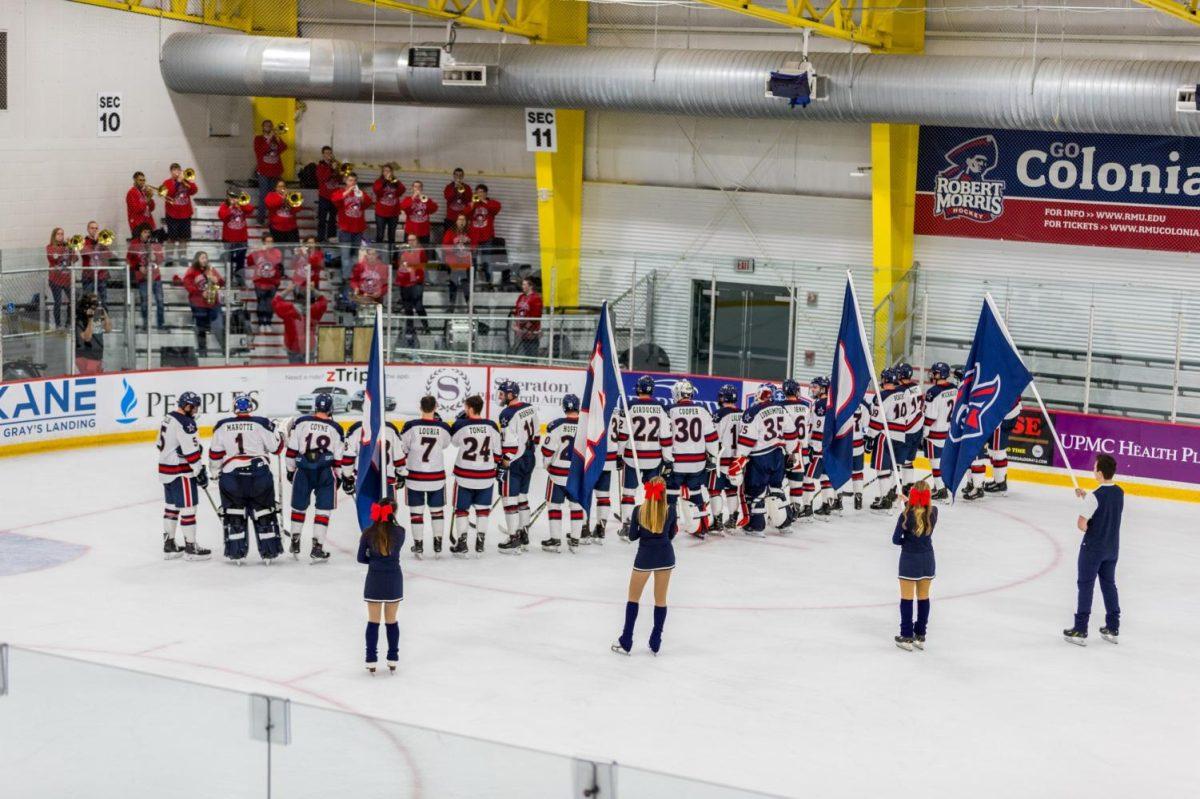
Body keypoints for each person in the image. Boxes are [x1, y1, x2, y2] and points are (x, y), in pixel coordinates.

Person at [209, 395, 285, 563]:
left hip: (231, 475)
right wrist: (280, 436)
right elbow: (276, 448)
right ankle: (269, 552)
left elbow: (215, 454)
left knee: (234, 514)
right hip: (259, 474)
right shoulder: (261, 423)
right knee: (264, 512)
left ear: (234, 408)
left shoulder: (222, 425)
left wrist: (214, 473)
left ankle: (236, 553)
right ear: (251, 408)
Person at [612, 477, 676, 656]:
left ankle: (626, 640)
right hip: (665, 557)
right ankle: (656, 641)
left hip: (645, 558)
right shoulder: (670, 511)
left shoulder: (638, 510)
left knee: (633, 599)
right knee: (660, 600)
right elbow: (671, 534)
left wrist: (633, 527)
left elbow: (632, 536)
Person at [1064, 454, 1123, 646]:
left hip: (1093, 549)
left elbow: (1082, 525)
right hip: (1112, 548)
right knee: (1109, 585)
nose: (1093, 470)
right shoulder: (1119, 492)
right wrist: (1087, 497)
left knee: (1085, 585)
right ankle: (1113, 627)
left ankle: (1080, 629)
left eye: (1094, 468)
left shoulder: (1094, 497)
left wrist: (1088, 502)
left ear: (1099, 473)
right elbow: (1103, 505)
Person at [285, 393, 347, 561]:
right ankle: (317, 548)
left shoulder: (301, 422)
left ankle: (295, 541)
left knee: (299, 507)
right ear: (330, 408)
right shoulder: (336, 428)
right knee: (323, 510)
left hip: (303, 470)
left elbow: (291, 449)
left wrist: (290, 470)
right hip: (325, 472)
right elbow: (338, 458)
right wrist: (341, 477)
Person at [613, 375, 674, 540]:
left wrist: (619, 454)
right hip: (654, 458)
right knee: (654, 493)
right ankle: (653, 523)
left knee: (628, 492)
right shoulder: (660, 407)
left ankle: (626, 526)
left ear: (638, 389)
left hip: (632, 458)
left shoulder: (630, 406)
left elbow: (624, 434)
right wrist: (667, 458)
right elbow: (666, 436)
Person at [156, 391, 212, 561]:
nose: (195, 411)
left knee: (172, 507)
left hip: (165, 469)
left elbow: (159, 444)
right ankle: (190, 548)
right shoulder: (186, 423)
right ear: (187, 406)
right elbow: (191, 452)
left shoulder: (168, 417)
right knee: (188, 509)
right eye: (194, 407)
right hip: (181, 471)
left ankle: (169, 546)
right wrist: (199, 470)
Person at [732, 383, 792, 537]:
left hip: (760, 457)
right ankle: (784, 523)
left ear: (759, 395)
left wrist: (739, 459)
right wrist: (791, 453)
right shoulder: (781, 408)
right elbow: (791, 432)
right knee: (776, 488)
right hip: (779, 454)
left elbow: (747, 440)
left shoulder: (752, 412)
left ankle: (756, 526)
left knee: (755, 491)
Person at [398, 395, 453, 558]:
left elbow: (403, 448)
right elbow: (445, 444)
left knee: (416, 512)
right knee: (437, 512)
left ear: (420, 407)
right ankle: (437, 545)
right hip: (436, 477)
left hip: (415, 477)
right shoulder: (442, 427)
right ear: (435, 407)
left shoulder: (410, 426)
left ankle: (419, 545)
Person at [664, 379, 718, 538]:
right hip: (698, 462)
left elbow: (666, 437)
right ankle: (701, 526)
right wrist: (713, 456)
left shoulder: (670, 410)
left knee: (671, 494)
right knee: (696, 491)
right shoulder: (702, 410)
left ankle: (669, 529)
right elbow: (711, 437)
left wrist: (666, 458)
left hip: (677, 462)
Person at [449, 394, 502, 557]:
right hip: (486, 476)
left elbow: (454, 442)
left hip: (464, 475)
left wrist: (459, 423)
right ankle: (480, 543)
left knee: (461, 510)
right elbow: (498, 451)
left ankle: (462, 544)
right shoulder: (492, 425)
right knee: (482, 510)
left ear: (470, 408)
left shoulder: (461, 425)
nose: (464, 409)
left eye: (466, 407)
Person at [357, 498, 406, 674]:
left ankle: (371, 659)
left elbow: (360, 558)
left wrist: (375, 560)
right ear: (394, 513)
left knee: (373, 621)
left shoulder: (368, 533)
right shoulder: (400, 532)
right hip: (394, 579)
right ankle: (392, 658)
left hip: (374, 579)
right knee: (391, 621)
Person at [534, 394, 585, 552]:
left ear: (564, 407)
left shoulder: (556, 425)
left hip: (557, 474)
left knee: (554, 505)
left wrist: (547, 464)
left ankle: (555, 540)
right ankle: (575, 540)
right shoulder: (586, 426)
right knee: (576, 506)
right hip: (578, 474)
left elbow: (547, 450)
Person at [495, 380, 541, 554]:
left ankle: (513, 537)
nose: (500, 396)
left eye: (502, 393)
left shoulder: (507, 413)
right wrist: (528, 451)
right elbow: (537, 435)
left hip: (514, 460)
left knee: (509, 499)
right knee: (522, 497)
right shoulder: (530, 407)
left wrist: (504, 462)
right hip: (529, 457)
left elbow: (510, 443)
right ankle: (523, 533)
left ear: (511, 395)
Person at [893, 481, 938, 651]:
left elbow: (896, 540)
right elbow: (920, 513)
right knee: (923, 597)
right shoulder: (934, 513)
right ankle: (920, 634)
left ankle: (906, 636)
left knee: (906, 598)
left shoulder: (905, 516)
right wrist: (908, 504)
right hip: (927, 560)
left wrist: (906, 506)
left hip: (909, 560)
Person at [868, 369, 906, 511]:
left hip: (886, 435)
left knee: (882, 468)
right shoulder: (902, 393)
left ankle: (885, 498)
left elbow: (877, 422)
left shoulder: (882, 396)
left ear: (885, 380)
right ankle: (894, 494)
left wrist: (870, 437)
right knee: (895, 467)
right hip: (901, 434)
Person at [332, 172, 373, 302]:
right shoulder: (340, 192)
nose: (353, 182)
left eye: (355, 180)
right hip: (345, 229)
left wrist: (360, 196)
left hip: (358, 229)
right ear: (345, 181)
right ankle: (346, 279)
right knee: (345, 256)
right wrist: (348, 191)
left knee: (355, 256)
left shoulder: (360, 193)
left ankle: (355, 279)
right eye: (350, 180)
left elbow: (368, 203)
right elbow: (336, 201)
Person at [710, 384, 742, 531]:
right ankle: (733, 519)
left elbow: (712, 437)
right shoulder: (744, 413)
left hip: (721, 458)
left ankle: (717, 522)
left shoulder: (719, 414)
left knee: (715, 490)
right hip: (738, 460)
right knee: (731, 490)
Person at [922, 362, 956, 501]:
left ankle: (941, 490)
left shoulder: (933, 392)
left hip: (934, 433)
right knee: (943, 461)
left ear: (940, 374)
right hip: (948, 432)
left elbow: (930, 416)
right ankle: (942, 485)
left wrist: (924, 432)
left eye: (935, 372)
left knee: (935, 463)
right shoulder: (955, 388)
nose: (932, 374)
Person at [181, 252, 225, 357]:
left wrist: (217, 280)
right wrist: (200, 293)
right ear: (197, 259)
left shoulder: (211, 269)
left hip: (213, 302)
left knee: (219, 326)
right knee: (201, 328)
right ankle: (202, 352)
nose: (205, 260)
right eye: (202, 258)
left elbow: (222, 283)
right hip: (198, 304)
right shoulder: (191, 270)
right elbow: (187, 284)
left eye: (206, 257)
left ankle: (225, 349)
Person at [779, 379, 812, 521]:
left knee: (777, 483)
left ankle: (777, 512)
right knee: (797, 483)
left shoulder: (779, 407)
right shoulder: (806, 406)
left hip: (785, 450)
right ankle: (795, 511)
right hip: (802, 451)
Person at [805, 376, 837, 516]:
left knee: (808, 477)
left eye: (816, 387)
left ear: (823, 389)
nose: (813, 389)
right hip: (830, 448)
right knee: (825, 477)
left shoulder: (820, 405)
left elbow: (818, 429)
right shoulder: (832, 403)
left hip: (819, 448)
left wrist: (812, 446)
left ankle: (806, 508)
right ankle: (826, 506)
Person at [272, 284, 328, 364]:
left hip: (292, 345)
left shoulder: (287, 308)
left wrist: (287, 290)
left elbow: (275, 301)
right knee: (309, 372)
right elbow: (324, 300)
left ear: (295, 295)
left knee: (295, 372)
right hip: (309, 344)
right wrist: (314, 290)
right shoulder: (315, 309)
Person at [159, 163, 198, 266]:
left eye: (178, 170)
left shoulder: (185, 181)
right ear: (171, 172)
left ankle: (182, 257)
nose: (177, 172)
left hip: (185, 214)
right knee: (171, 238)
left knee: (183, 238)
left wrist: (190, 182)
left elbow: (194, 191)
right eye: (175, 170)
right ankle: (169, 257)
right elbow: (169, 195)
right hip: (173, 214)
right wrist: (177, 183)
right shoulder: (167, 182)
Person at [128, 227, 165, 330]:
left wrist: (154, 254)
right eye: (145, 231)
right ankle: (145, 324)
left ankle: (161, 324)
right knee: (144, 302)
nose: (147, 234)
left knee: (160, 301)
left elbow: (161, 259)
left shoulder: (156, 244)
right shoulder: (135, 244)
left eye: (149, 232)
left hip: (155, 277)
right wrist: (138, 267)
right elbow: (129, 259)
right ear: (140, 233)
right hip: (142, 278)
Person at [218, 189, 255, 287]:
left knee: (241, 261)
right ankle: (229, 280)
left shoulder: (242, 205)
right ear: (228, 197)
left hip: (242, 239)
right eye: (232, 197)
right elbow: (222, 216)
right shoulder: (224, 205)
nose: (234, 199)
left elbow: (251, 210)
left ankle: (239, 279)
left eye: (236, 197)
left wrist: (241, 205)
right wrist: (230, 207)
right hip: (228, 239)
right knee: (228, 260)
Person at [253, 120, 287, 223]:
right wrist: (268, 140)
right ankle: (261, 220)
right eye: (266, 126)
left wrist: (278, 139)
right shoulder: (258, 139)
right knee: (264, 195)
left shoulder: (275, 139)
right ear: (263, 127)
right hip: (263, 171)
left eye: (270, 126)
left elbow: (283, 148)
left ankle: (273, 219)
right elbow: (260, 151)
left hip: (275, 171)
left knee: (276, 197)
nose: (268, 127)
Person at [985, 399, 1021, 495]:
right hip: (1011, 410)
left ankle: (1000, 483)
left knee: (997, 450)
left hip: (1003, 415)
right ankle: (999, 479)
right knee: (995, 448)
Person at [396, 234, 430, 336]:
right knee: (408, 307)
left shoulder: (421, 251)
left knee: (418, 305)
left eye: (413, 240)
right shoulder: (403, 252)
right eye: (409, 240)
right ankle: (410, 329)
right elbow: (400, 266)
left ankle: (426, 327)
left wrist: (412, 269)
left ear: (417, 241)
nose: (411, 242)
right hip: (405, 282)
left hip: (416, 282)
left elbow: (423, 265)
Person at [469, 184, 502, 285]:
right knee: (472, 261)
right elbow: (465, 213)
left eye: (482, 192)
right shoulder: (473, 203)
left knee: (487, 261)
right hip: (474, 237)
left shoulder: (492, 203)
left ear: (486, 193)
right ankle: (471, 281)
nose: (479, 194)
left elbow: (496, 209)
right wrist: (472, 204)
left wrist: (483, 201)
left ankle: (489, 282)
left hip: (487, 237)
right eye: (478, 192)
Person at [248, 234, 283, 327]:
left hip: (272, 282)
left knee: (269, 303)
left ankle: (268, 322)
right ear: (263, 242)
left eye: (271, 242)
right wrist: (253, 252)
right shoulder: (258, 252)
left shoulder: (277, 252)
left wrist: (266, 252)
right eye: (267, 242)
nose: (269, 244)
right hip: (259, 281)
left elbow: (276, 262)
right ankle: (261, 322)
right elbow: (249, 262)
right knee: (261, 302)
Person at [441, 214, 474, 309]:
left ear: (466, 222)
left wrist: (468, 247)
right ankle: (451, 306)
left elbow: (475, 245)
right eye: (459, 219)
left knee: (466, 285)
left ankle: (469, 306)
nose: (461, 221)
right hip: (454, 263)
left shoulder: (470, 232)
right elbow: (444, 247)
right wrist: (455, 249)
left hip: (466, 263)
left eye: (463, 219)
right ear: (456, 221)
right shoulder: (450, 232)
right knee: (453, 284)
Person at [45, 227, 76, 329]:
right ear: (54, 236)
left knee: (72, 300)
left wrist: (72, 248)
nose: (61, 236)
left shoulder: (68, 246)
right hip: (55, 279)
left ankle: (68, 322)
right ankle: (58, 324)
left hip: (67, 279)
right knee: (57, 302)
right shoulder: (49, 247)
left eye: (62, 234)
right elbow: (54, 257)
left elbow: (75, 259)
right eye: (58, 234)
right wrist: (67, 248)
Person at [373, 164, 405, 260]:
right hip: (381, 213)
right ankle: (378, 255)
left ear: (391, 172)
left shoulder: (395, 181)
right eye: (385, 171)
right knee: (380, 234)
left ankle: (392, 257)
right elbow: (377, 191)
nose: (387, 172)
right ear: (382, 172)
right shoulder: (378, 181)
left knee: (392, 236)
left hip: (393, 213)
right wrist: (385, 182)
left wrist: (396, 183)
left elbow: (402, 190)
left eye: (388, 171)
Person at [74, 293, 111, 375]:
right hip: (85, 355)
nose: (95, 305)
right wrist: (90, 319)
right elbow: (87, 338)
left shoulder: (98, 316)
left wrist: (104, 313)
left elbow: (108, 329)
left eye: (96, 303)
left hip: (96, 354)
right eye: (93, 303)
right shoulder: (80, 320)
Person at [80, 221, 112, 308]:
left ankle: (105, 320)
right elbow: (87, 253)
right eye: (92, 228)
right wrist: (96, 243)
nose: (94, 230)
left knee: (103, 301)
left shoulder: (102, 241)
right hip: (88, 276)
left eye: (96, 228)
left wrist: (100, 242)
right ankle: (88, 321)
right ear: (87, 229)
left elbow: (108, 255)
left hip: (101, 275)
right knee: (88, 302)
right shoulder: (83, 241)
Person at [314, 146, 341, 242]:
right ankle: (321, 238)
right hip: (324, 197)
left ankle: (331, 238)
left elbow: (340, 180)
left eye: (330, 153)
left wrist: (338, 171)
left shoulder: (336, 165)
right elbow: (322, 178)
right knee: (322, 219)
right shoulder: (320, 166)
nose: (329, 155)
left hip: (334, 197)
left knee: (333, 220)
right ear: (323, 155)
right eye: (326, 153)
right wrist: (331, 168)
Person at [512, 277, 543, 359]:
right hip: (521, 333)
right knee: (522, 356)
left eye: (524, 284)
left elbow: (536, 316)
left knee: (532, 356)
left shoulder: (536, 298)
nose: (522, 286)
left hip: (531, 333)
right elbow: (516, 312)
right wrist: (516, 325)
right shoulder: (521, 297)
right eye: (522, 284)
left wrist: (526, 329)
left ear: (530, 286)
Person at [400, 180, 438, 248]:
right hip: (410, 231)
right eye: (415, 187)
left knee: (423, 251)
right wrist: (413, 198)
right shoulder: (408, 199)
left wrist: (424, 199)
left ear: (422, 189)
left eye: (419, 187)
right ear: (412, 188)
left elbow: (434, 209)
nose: (417, 188)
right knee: (408, 251)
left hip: (424, 231)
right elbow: (403, 207)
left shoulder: (426, 200)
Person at [264, 180, 301, 245]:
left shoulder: (291, 196)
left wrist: (289, 202)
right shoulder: (271, 195)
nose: (282, 188)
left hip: (292, 229)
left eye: (283, 186)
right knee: (279, 251)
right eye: (280, 186)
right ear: (275, 188)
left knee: (295, 250)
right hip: (276, 228)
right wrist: (282, 199)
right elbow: (270, 205)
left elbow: (298, 209)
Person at [442, 167, 473, 237]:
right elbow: (448, 198)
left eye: (460, 175)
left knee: (462, 237)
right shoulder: (449, 187)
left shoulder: (467, 187)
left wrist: (463, 189)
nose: (458, 177)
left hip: (463, 218)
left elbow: (469, 199)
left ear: (463, 176)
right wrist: (454, 188)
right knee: (449, 236)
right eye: (456, 175)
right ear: (454, 176)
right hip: (451, 218)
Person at [125, 172, 158, 237]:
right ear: (135, 180)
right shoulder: (131, 193)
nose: (142, 182)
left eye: (144, 180)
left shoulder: (144, 192)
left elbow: (151, 208)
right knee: (139, 246)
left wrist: (150, 198)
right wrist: (148, 198)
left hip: (147, 223)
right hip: (137, 224)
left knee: (149, 245)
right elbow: (137, 209)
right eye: (140, 180)